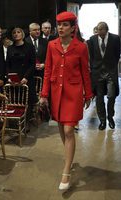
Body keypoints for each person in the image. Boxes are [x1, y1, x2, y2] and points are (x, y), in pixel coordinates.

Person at [39, 11, 93, 190]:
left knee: (69, 129)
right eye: (58, 25)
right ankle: (69, 156)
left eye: (64, 25)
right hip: (56, 92)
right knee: (62, 127)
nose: (60, 28)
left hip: (74, 92)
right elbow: (47, 71)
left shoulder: (81, 47)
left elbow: (85, 71)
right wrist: (44, 94)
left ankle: (66, 170)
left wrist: (88, 94)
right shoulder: (51, 45)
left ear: (73, 28)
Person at [87, 22, 120, 130]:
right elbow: (91, 56)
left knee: (111, 96)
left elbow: (117, 53)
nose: (99, 32)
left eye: (101, 30)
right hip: (98, 73)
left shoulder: (115, 38)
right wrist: (94, 67)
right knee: (99, 98)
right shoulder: (92, 40)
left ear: (106, 30)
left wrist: (112, 66)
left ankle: (110, 117)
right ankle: (102, 121)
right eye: (98, 29)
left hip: (110, 71)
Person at [6, 27, 37, 126]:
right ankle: (16, 123)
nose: (16, 34)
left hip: (26, 78)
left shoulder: (30, 47)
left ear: (22, 34)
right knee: (16, 101)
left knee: (27, 101)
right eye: (14, 32)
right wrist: (9, 77)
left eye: (18, 32)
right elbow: (7, 64)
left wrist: (25, 78)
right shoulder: (10, 48)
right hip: (14, 79)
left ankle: (26, 123)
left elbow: (32, 64)